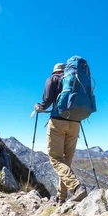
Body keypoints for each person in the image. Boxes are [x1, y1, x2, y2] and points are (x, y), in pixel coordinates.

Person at [35, 63, 88, 204]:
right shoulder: (75, 81)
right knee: (66, 162)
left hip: (58, 122)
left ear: (55, 71)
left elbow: (46, 102)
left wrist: (39, 107)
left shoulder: (52, 79)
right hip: (75, 123)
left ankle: (77, 187)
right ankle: (61, 198)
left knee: (56, 159)